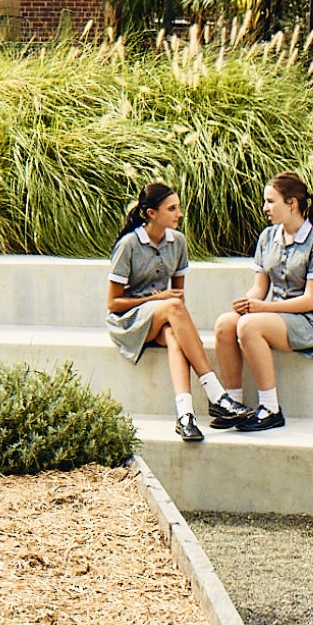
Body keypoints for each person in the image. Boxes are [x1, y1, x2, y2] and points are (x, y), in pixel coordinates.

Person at [106, 182, 240, 444]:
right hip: (128, 322)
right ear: (151, 213)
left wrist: (177, 320)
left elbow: (179, 297)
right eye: (172, 208)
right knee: (173, 308)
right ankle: (217, 395)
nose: (179, 214)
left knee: (175, 336)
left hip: (163, 317)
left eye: (178, 208)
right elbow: (113, 304)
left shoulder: (177, 242)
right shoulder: (129, 245)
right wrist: (156, 299)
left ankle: (185, 415)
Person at [212, 172, 313, 433]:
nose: (265, 208)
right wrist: (246, 303)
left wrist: (261, 309)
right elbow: (260, 288)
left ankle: (270, 408)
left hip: (310, 322)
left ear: (291, 203)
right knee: (226, 324)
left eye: (270, 201)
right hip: (276, 316)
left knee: (249, 327)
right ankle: (234, 404)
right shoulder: (268, 237)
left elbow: (310, 301)